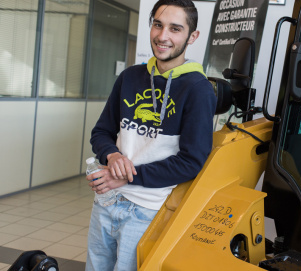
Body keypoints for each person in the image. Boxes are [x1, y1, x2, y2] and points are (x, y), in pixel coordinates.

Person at [85, 0, 216, 270]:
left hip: (148, 210)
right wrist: (111, 155)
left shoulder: (198, 89)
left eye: (175, 28)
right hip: (107, 198)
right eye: (158, 24)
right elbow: (101, 132)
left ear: (193, 36)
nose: (162, 36)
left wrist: (125, 177)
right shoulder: (130, 77)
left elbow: (191, 161)